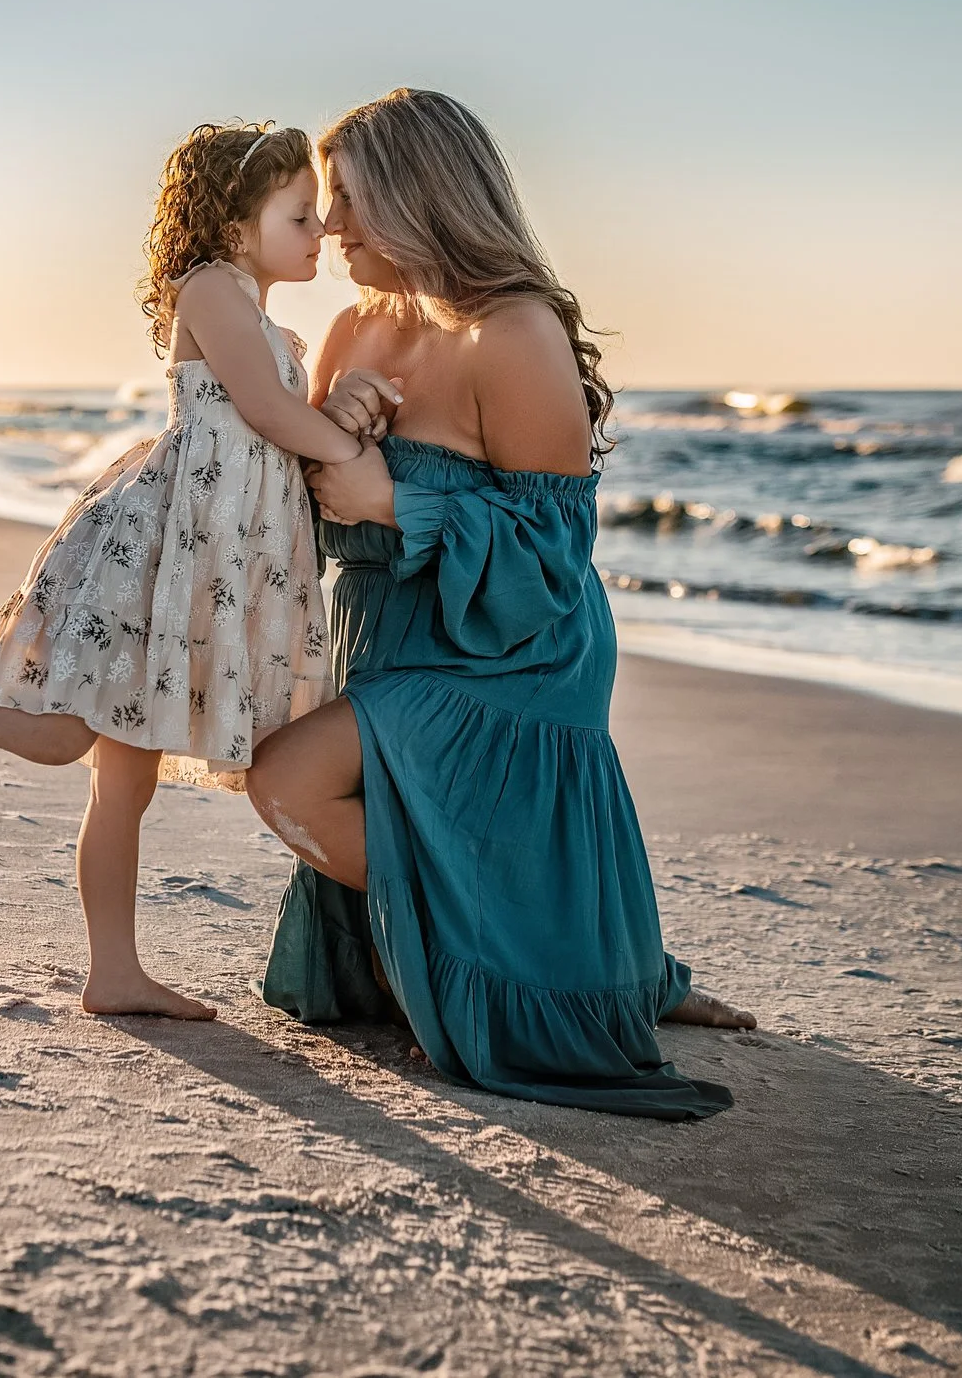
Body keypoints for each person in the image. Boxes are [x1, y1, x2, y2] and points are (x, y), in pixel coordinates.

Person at [245, 88, 749, 1118]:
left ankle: (560, 968)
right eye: (326, 203)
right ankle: (586, 957)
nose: (331, 226)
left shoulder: (511, 335)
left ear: (424, 196)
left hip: (511, 653)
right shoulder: (351, 328)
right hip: (389, 632)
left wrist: (397, 494)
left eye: (351, 200)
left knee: (284, 783)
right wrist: (329, 432)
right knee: (296, 782)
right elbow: (311, 505)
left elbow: (553, 554)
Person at [0, 122, 357, 1019]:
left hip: (196, 570)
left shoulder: (273, 326)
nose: (321, 231)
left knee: (124, 780)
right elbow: (260, 408)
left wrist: (351, 416)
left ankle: (114, 970)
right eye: (300, 215)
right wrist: (344, 444)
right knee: (65, 736)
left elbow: (278, 428)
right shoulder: (213, 288)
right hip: (155, 561)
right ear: (234, 222)